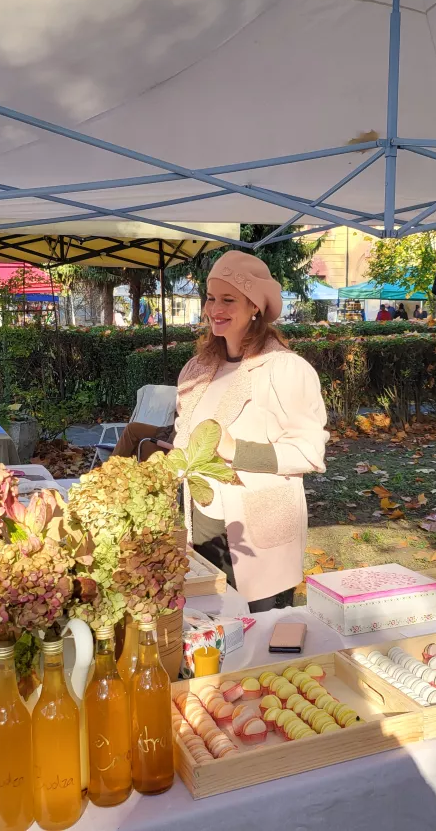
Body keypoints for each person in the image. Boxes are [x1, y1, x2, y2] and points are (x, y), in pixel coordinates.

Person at [172, 251, 328, 613]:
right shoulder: (197, 369)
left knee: (264, 636)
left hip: (259, 530)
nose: (216, 309)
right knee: (218, 627)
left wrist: (235, 449)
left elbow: (308, 452)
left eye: (229, 299)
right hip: (205, 526)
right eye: (211, 298)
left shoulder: (286, 370)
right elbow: (185, 433)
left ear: (255, 307)